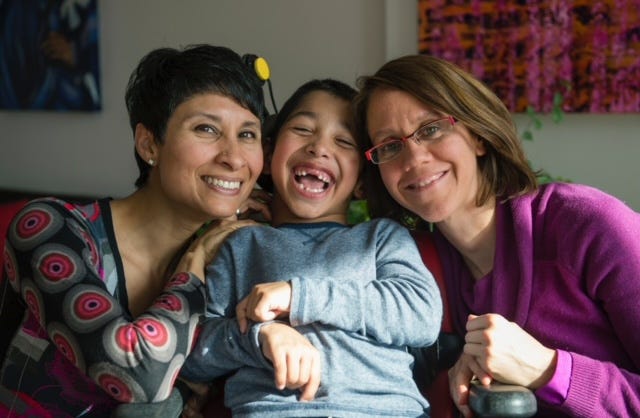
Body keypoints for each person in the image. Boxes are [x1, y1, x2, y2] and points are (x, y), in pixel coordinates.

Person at [353, 54, 640, 417]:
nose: (414, 158)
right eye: (390, 146)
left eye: (431, 129)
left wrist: (548, 370)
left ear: (478, 136)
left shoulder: (587, 224)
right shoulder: (420, 270)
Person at [0, 44, 269, 417]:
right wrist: (195, 260)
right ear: (149, 144)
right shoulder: (48, 227)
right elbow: (138, 376)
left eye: (248, 134)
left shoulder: (231, 258)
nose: (234, 157)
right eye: (206, 129)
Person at [180, 78, 443, 418]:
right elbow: (193, 352)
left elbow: (421, 317)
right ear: (269, 155)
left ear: (362, 182)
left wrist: (299, 297)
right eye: (303, 129)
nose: (319, 148)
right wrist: (261, 336)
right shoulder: (241, 244)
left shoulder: (381, 237)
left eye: (343, 141)